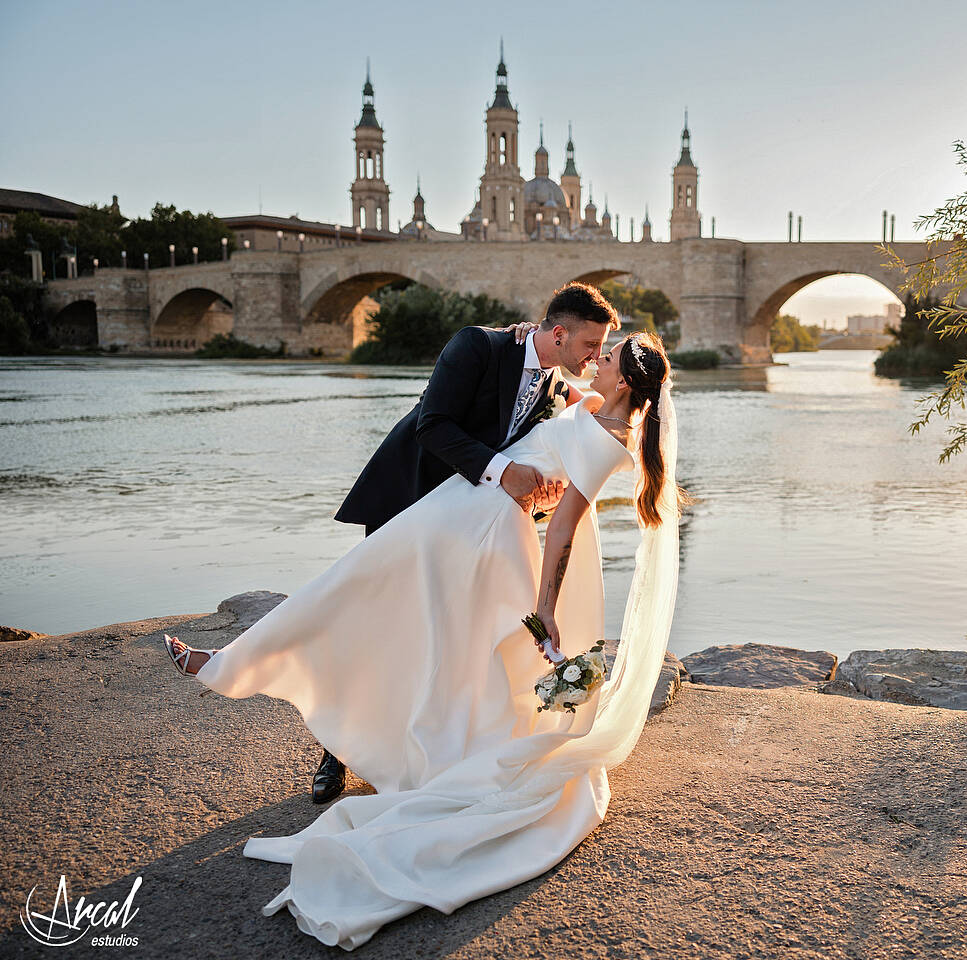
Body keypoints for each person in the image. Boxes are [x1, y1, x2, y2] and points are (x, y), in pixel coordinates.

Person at [162, 330, 682, 950]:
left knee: (369, 595)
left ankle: (229, 666)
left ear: (625, 382)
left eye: (610, 356)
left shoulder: (610, 436)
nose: (597, 359)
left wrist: (545, 607)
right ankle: (235, 665)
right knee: (365, 594)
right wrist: (534, 349)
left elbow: (566, 520)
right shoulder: (599, 407)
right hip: (465, 511)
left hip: (484, 533)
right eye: (598, 347)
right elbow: (558, 405)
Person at [302, 282, 617, 803]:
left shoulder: (555, 387)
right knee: (377, 628)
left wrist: (540, 483)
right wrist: (506, 471)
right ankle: (334, 755)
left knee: (433, 637)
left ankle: (402, 748)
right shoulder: (476, 345)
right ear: (558, 333)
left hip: (460, 526)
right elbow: (434, 426)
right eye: (589, 345)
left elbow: (566, 427)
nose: (595, 355)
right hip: (406, 503)